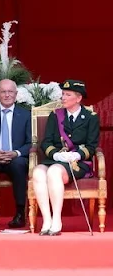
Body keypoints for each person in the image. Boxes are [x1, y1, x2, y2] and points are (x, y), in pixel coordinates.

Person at [32, 80, 99, 236]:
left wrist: (76, 154)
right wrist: (56, 154)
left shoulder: (90, 117)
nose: (63, 97)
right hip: (56, 158)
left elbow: (92, 146)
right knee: (37, 172)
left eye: (67, 95)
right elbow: (46, 142)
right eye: (62, 94)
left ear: (78, 98)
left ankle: (57, 220)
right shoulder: (55, 116)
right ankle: (46, 220)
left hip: (78, 163)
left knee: (54, 172)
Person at [0, 79, 31, 228]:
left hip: (16, 158)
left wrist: (15, 153)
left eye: (10, 92)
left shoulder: (26, 115)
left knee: (19, 164)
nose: (7, 95)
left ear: (16, 94)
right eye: (3, 92)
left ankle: (20, 213)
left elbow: (31, 144)